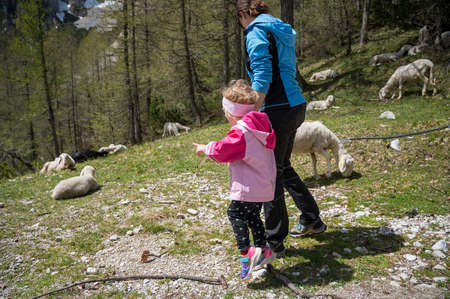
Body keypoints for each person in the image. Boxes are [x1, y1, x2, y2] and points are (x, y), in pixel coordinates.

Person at [236, 0, 326, 262]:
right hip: (296, 104)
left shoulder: (256, 31)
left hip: (277, 108)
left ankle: (273, 243)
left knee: (269, 174)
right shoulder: (281, 28)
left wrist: (251, 113)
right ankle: (311, 218)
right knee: (282, 167)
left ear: (243, 15)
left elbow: (262, 74)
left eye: (239, 19)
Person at [193, 79, 276, 279]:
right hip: (263, 186)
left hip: (248, 187)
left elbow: (223, 150)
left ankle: (247, 251)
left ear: (230, 113)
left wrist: (204, 148)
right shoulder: (260, 124)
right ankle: (263, 251)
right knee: (253, 217)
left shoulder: (242, 132)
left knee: (235, 213)